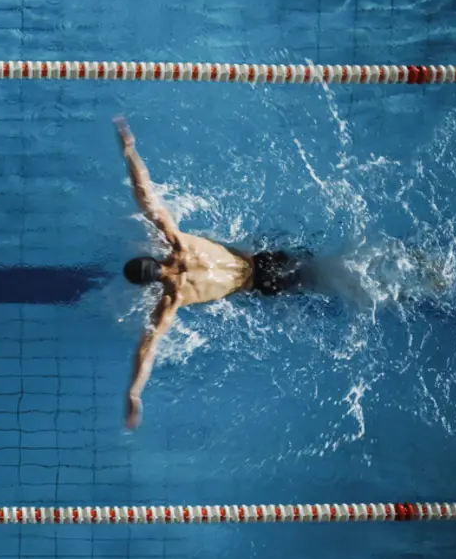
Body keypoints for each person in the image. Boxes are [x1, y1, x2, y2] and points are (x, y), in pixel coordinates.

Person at [115, 114, 311, 429]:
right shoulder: (177, 242)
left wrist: (134, 392)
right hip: (265, 260)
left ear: (147, 284)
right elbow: (146, 196)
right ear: (152, 256)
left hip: (263, 287)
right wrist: (129, 151)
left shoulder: (171, 300)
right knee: (319, 266)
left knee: (319, 285)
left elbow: (146, 349)